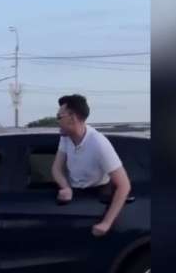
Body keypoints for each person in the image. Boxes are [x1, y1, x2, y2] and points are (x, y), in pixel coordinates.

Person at [51, 94, 131, 236]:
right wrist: (65, 187)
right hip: (75, 195)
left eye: (59, 117)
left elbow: (124, 185)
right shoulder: (66, 137)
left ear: (72, 118)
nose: (57, 121)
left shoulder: (98, 144)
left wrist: (106, 223)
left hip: (96, 197)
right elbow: (56, 168)